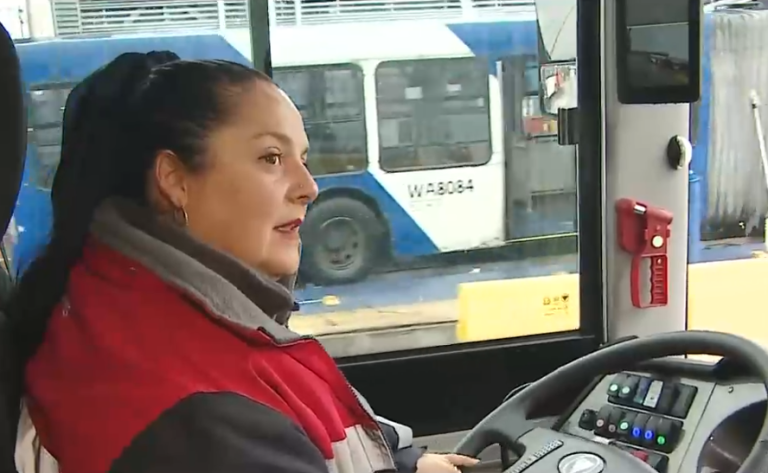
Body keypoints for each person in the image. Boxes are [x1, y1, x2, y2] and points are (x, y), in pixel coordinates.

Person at [5, 52, 480, 473]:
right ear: (174, 179)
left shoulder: (120, 300)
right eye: (271, 157)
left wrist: (402, 463)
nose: (308, 187)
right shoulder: (198, 418)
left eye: (303, 158)